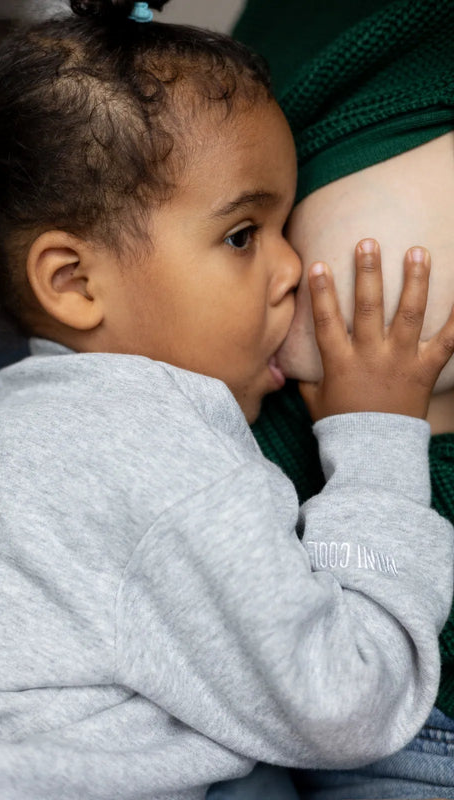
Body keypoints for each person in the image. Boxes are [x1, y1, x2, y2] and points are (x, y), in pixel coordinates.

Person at [0, 1, 454, 798]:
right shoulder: (165, 467)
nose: (288, 271)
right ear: (72, 282)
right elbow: (349, 702)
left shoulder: (46, 410)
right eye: (243, 234)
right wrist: (377, 432)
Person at [208, 0, 454, 798]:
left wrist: (378, 428)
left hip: (409, 715)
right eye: (245, 234)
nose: (283, 268)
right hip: (253, 698)